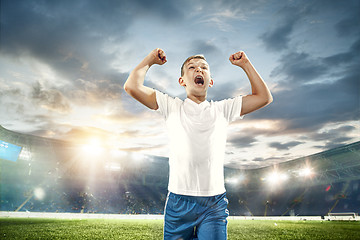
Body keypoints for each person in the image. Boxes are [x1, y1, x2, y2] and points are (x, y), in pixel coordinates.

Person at [124, 48, 273, 240]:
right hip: (178, 201)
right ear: (182, 81)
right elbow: (131, 86)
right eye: (192, 67)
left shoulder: (223, 109)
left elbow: (264, 97)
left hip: (214, 203)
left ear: (210, 81)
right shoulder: (171, 106)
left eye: (204, 68)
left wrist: (245, 64)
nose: (199, 70)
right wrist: (150, 60)